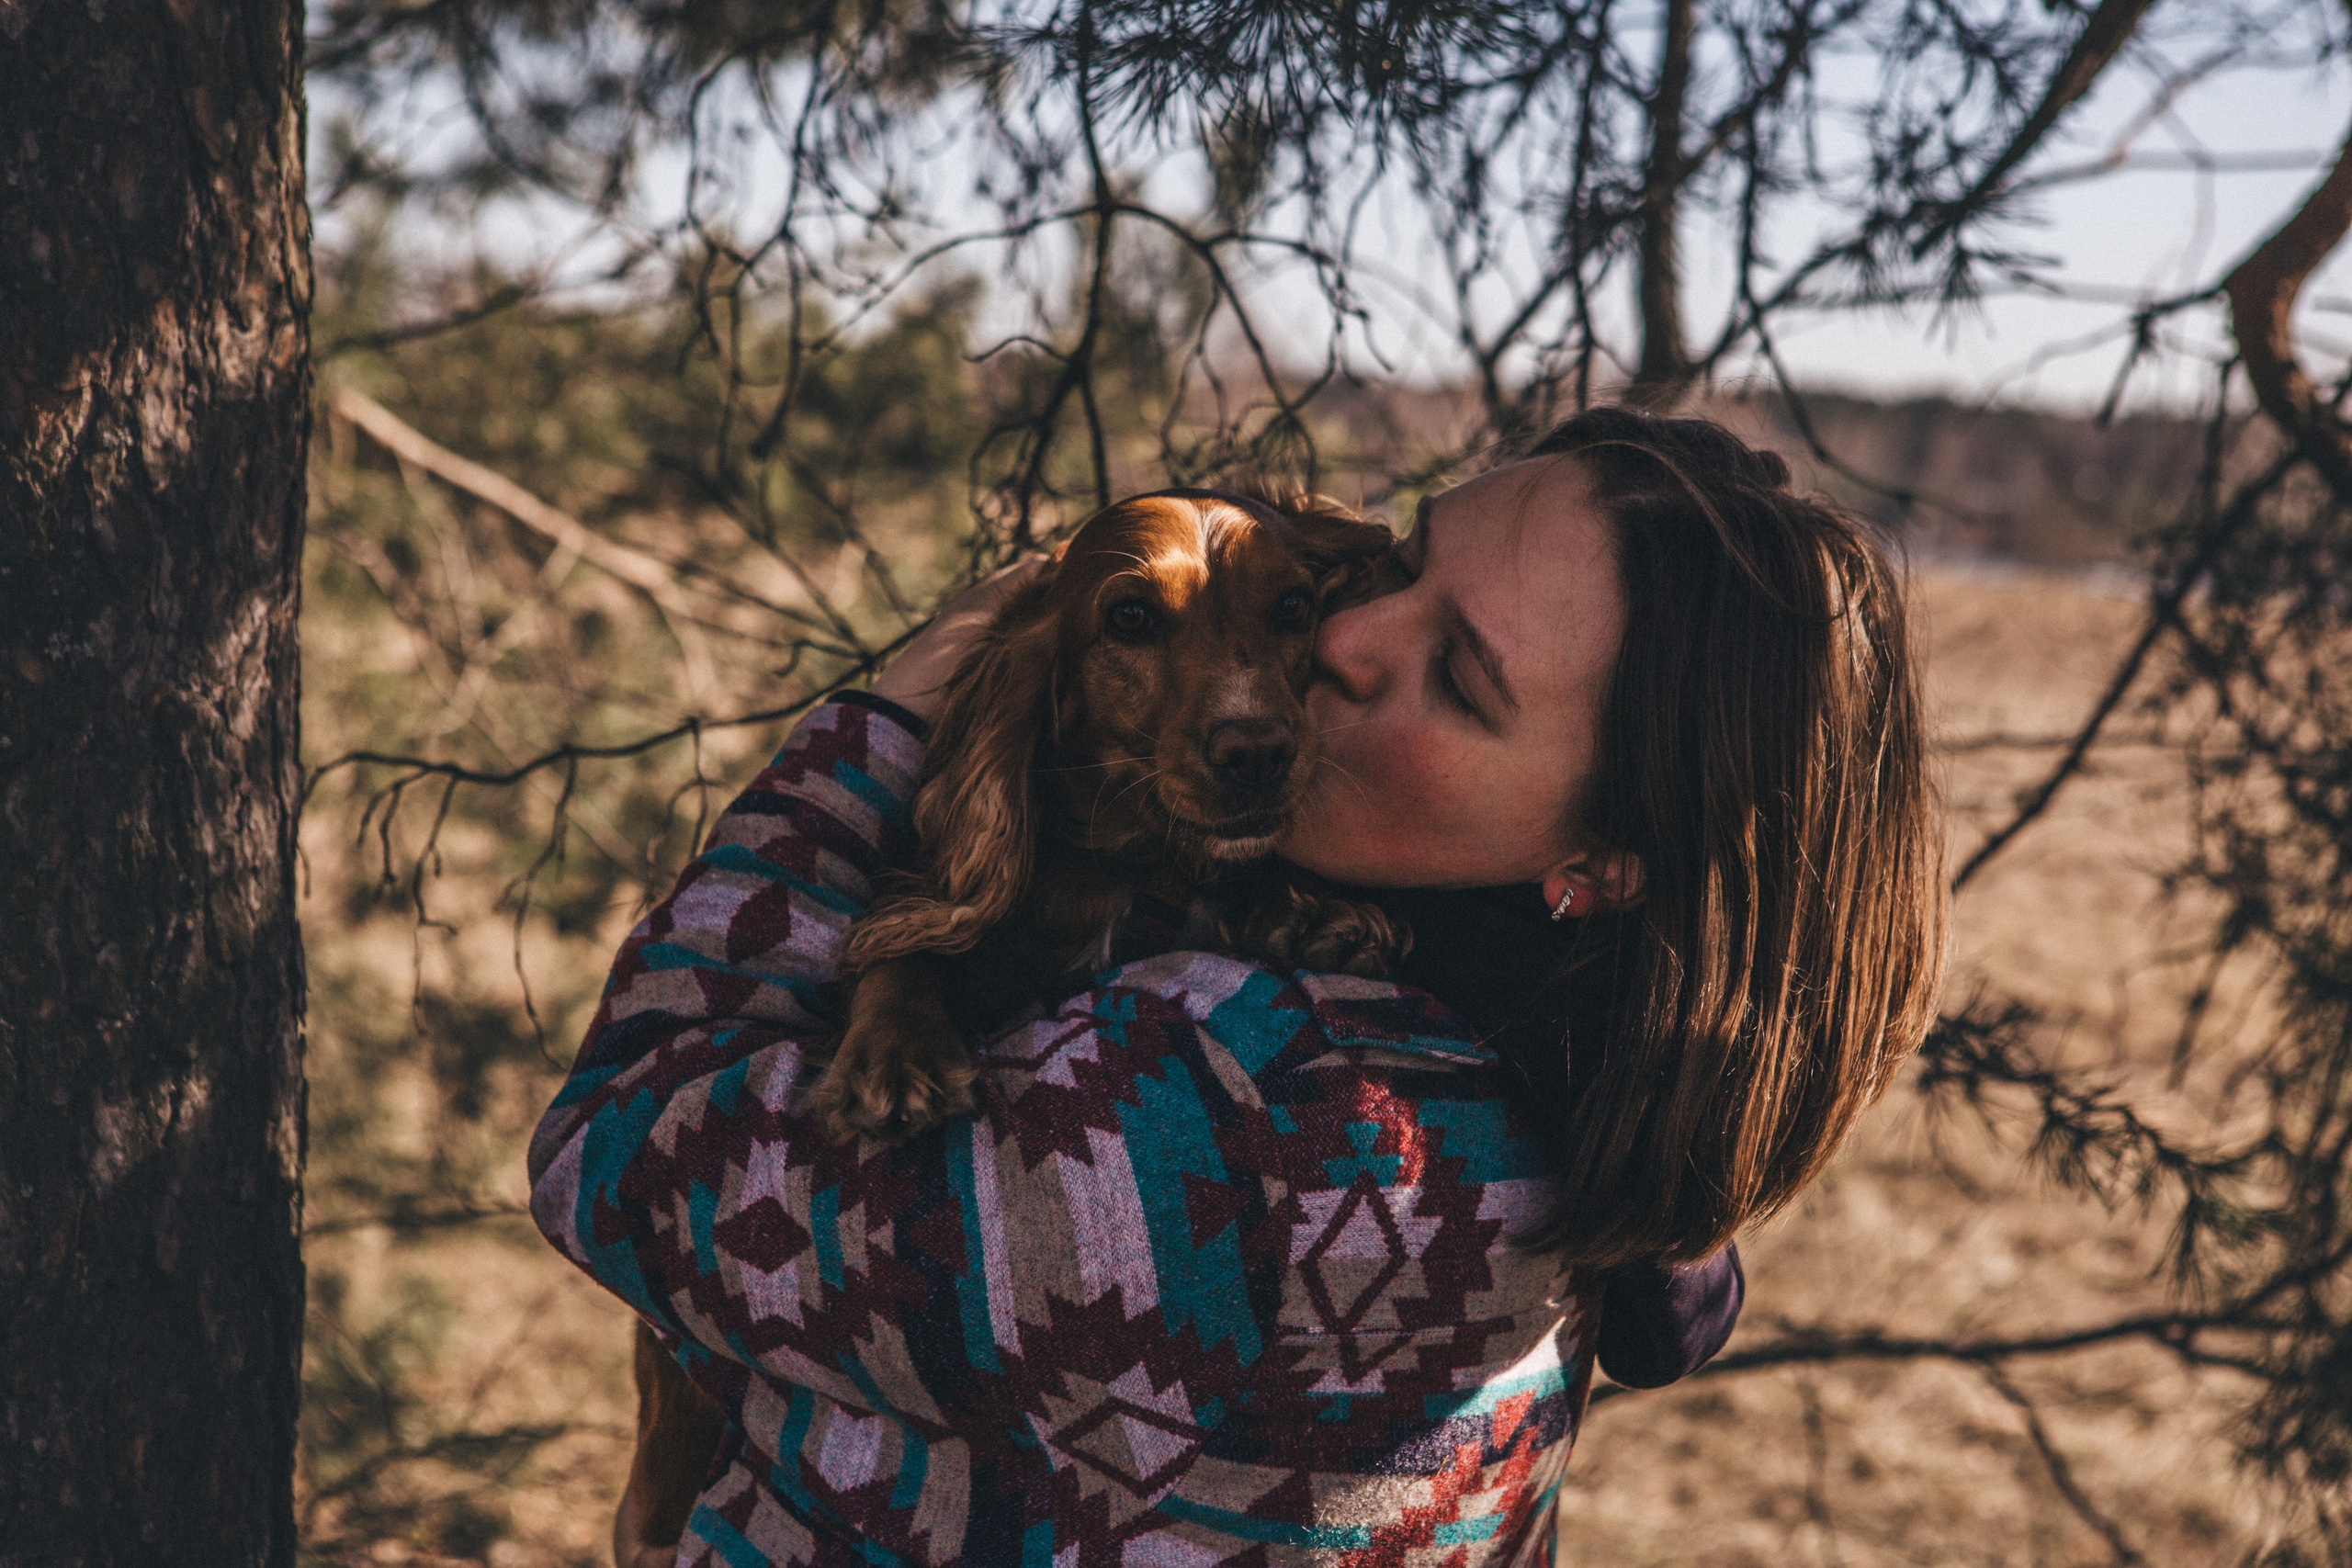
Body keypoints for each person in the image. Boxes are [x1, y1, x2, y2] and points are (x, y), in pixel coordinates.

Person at [529, 406, 1947, 1565]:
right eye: (1399, 565)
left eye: (1456, 675)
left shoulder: (1211, 1120)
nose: (1337, 641)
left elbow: (611, 1149)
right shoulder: (1568, 1067)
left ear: (1608, 859)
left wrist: (884, 723)